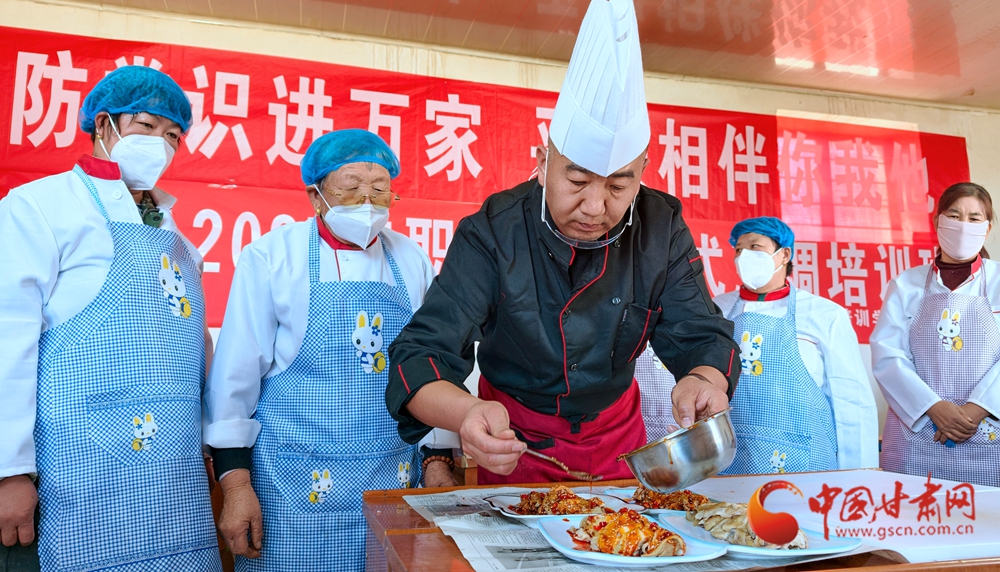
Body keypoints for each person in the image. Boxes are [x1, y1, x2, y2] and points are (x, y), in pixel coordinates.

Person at [385, 0, 739, 485]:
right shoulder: (493, 231)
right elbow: (420, 353)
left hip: (618, 439)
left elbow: (702, 333)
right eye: (577, 181)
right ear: (542, 162)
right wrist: (466, 414)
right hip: (513, 440)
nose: (595, 207)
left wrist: (703, 380)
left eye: (619, 186)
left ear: (642, 172)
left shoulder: (661, 225)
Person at [203, 129, 456, 571]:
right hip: (294, 485)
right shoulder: (272, 256)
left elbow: (431, 366)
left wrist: (437, 459)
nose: (367, 202)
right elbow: (235, 377)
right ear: (315, 196)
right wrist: (237, 486)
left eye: (380, 189)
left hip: (390, 477)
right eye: (351, 187)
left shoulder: (411, 258)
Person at [0, 67, 221, 571]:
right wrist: (9, 470)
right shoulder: (41, 206)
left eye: (173, 135)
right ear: (103, 124)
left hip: (172, 478)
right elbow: (7, 338)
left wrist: (214, 444)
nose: (160, 143)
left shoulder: (175, 234)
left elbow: (196, 347)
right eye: (147, 125)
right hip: (73, 471)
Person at [713, 217, 878, 474]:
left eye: (755, 247)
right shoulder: (716, 310)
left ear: (784, 254)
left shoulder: (824, 314)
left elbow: (851, 401)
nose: (744, 256)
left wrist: (857, 476)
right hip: (730, 452)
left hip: (800, 456)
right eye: (739, 249)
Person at [872, 183, 1000, 487]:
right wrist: (933, 407)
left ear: (987, 228)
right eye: (954, 216)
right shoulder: (906, 284)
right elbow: (888, 355)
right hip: (916, 439)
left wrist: (976, 410)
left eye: (974, 218)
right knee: (913, 510)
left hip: (988, 433)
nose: (963, 225)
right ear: (937, 222)